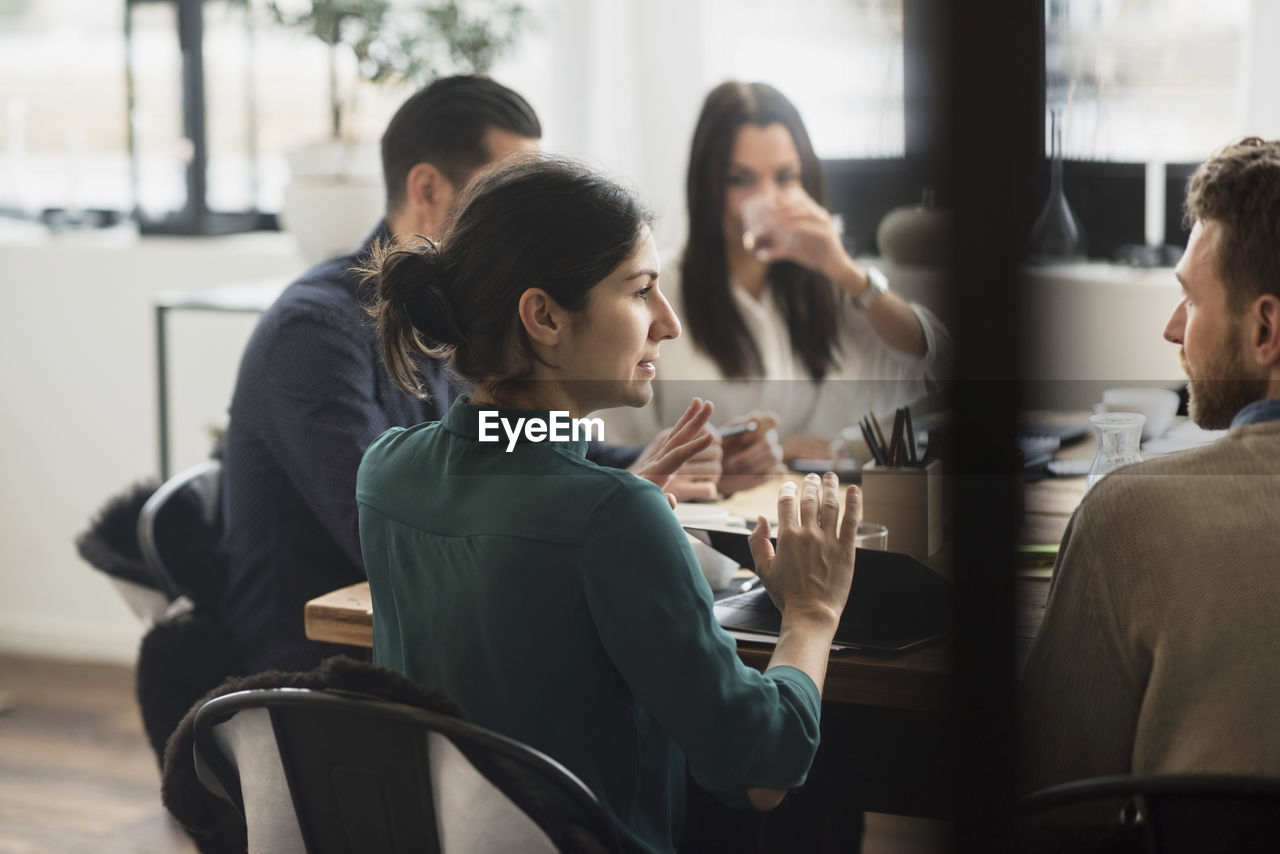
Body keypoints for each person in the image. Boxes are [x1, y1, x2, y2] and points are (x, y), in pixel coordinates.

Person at [356, 154, 863, 854]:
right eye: (640, 291)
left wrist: (619, 503)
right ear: (544, 317)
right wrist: (813, 612)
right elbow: (761, 772)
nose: (668, 322)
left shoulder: (384, 471)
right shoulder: (611, 519)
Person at [219, 75, 773, 673]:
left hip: (438, 645)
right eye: (505, 186)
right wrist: (613, 501)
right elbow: (390, 530)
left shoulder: (466, 312)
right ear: (428, 187)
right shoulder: (311, 333)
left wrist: (645, 462)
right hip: (331, 672)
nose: (531, 214)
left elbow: (494, 444)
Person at [1020, 137, 1280, 792]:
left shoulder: (1130, 518)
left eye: (1191, 300)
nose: (1172, 329)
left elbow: (1052, 795)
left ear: (1266, 331)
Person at [600, 81, 951, 460]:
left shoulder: (833, 287)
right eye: (740, 180)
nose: (766, 200)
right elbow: (620, 448)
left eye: (785, 178)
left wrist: (846, 270)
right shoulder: (659, 289)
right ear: (708, 187)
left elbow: (936, 360)